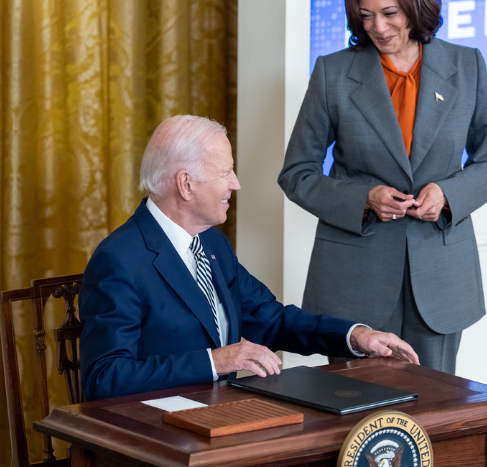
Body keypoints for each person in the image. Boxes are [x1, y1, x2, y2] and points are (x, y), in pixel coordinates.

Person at [278, 0, 487, 375]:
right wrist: (364, 198)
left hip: (438, 280)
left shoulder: (467, 65)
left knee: (431, 419)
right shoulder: (332, 73)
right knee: (355, 425)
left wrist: (448, 193)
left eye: (390, 13)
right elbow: (297, 174)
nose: (378, 28)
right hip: (353, 280)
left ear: (416, 4)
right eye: (366, 16)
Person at [79, 115, 419, 401]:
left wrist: (356, 336)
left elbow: (270, 319)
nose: (236, 184)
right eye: (226, 172)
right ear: (186, 184)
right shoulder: (119, 260)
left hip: (223, 417)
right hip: (156, 434)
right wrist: (216, 361)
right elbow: (104, 377)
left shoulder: (212, 243)